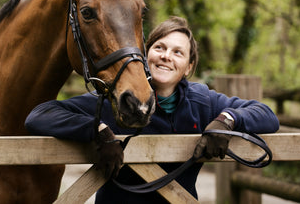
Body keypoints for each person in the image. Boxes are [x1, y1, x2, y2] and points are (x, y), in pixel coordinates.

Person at [25, 16, 279, 203]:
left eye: (177, 52)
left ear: (188, 67)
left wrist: (227, 120)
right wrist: (97, 130)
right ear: (146, 55)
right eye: (159, 47)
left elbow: (266, 114)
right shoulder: (117, 98)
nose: (166, 56)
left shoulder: (203, 102)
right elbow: (39, 115)